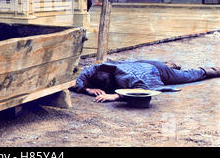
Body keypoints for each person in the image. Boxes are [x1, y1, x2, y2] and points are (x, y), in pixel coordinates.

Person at [71, 59, 220, 103]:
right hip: (139, 63)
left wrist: (117, 96)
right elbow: (86, 72)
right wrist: (86, 89)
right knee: (169, 68)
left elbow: (144, 91)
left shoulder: (125, 78)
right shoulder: (101, 68)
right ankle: (171, 66)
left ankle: (211, 70)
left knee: (187, 76)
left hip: (154, 70)